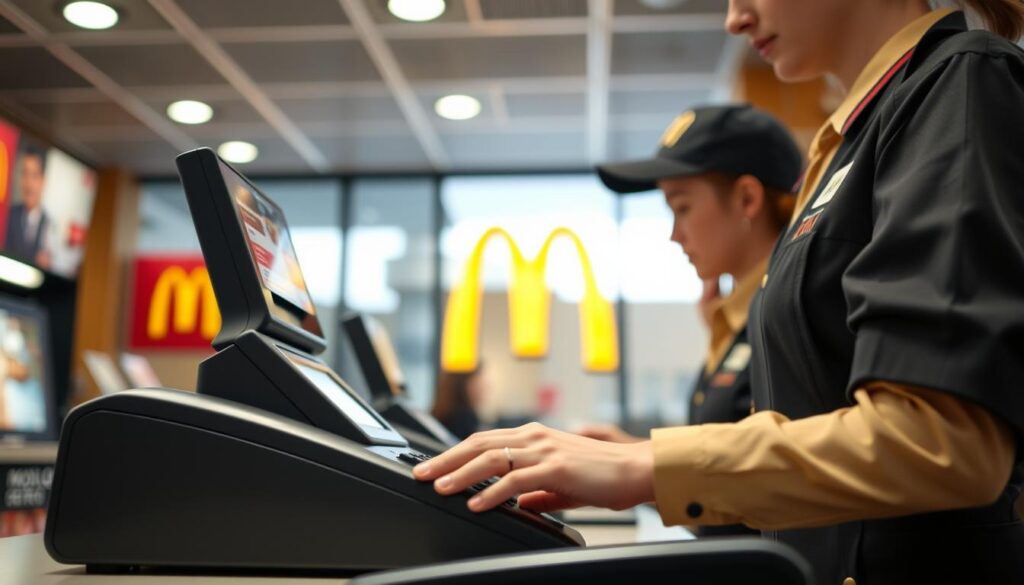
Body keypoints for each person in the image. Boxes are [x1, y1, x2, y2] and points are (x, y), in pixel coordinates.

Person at [412, 2, 1024, 583]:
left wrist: (644, 466)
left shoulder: (960, 81)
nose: (735, 19)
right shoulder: (845, 142)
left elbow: (943, 440)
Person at [578, 104, 803, 537]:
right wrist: (635, 455)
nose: (674, 234)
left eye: (681, 208)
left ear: (747, 199)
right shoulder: (738, 316)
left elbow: (778, 480)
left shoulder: (785, 315)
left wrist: (640, 466)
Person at [4, 144, 52, 270]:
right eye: (25, 174)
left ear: (43, 181)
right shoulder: (7, 216)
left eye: (34, 175)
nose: (28, 183)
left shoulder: (50, 225)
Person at [431, 364, 487, 440]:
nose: (485, 387)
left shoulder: (443, 411)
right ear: (464, 384)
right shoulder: (464, 416)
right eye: (479, 380)